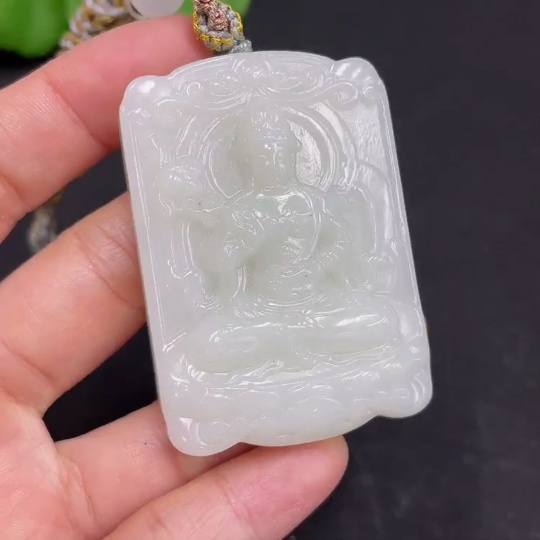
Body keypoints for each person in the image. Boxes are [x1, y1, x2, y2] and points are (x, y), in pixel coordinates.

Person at [0, 17, 348, 539]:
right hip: (259, 315)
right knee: (210, 345)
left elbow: (340, 250)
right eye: (261, 152)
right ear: (246, 161)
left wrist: (320, 271)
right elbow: (220, 267)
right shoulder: (246, 209)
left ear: (295, 153)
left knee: (373, 320)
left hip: (311, 306)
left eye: (279, 149)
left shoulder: (311, 200)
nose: (272, 158)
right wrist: (217, 232)